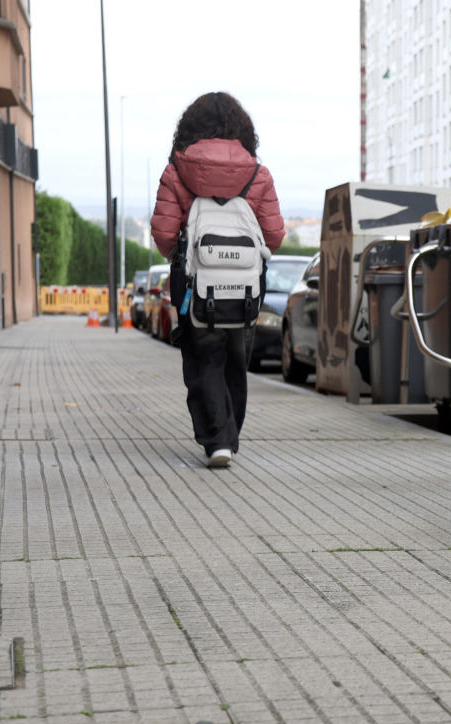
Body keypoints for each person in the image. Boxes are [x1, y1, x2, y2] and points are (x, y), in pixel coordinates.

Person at [151, 92, 285, 467]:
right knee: (235, 359)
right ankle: (230, 434)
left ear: (189, 128)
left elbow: (164, 236)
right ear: (242, 130)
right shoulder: (259, 174)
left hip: (197, 286)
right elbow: (273, 236)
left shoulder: (176, 171)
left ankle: (216, 439)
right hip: (245, 290)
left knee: (202, 358)